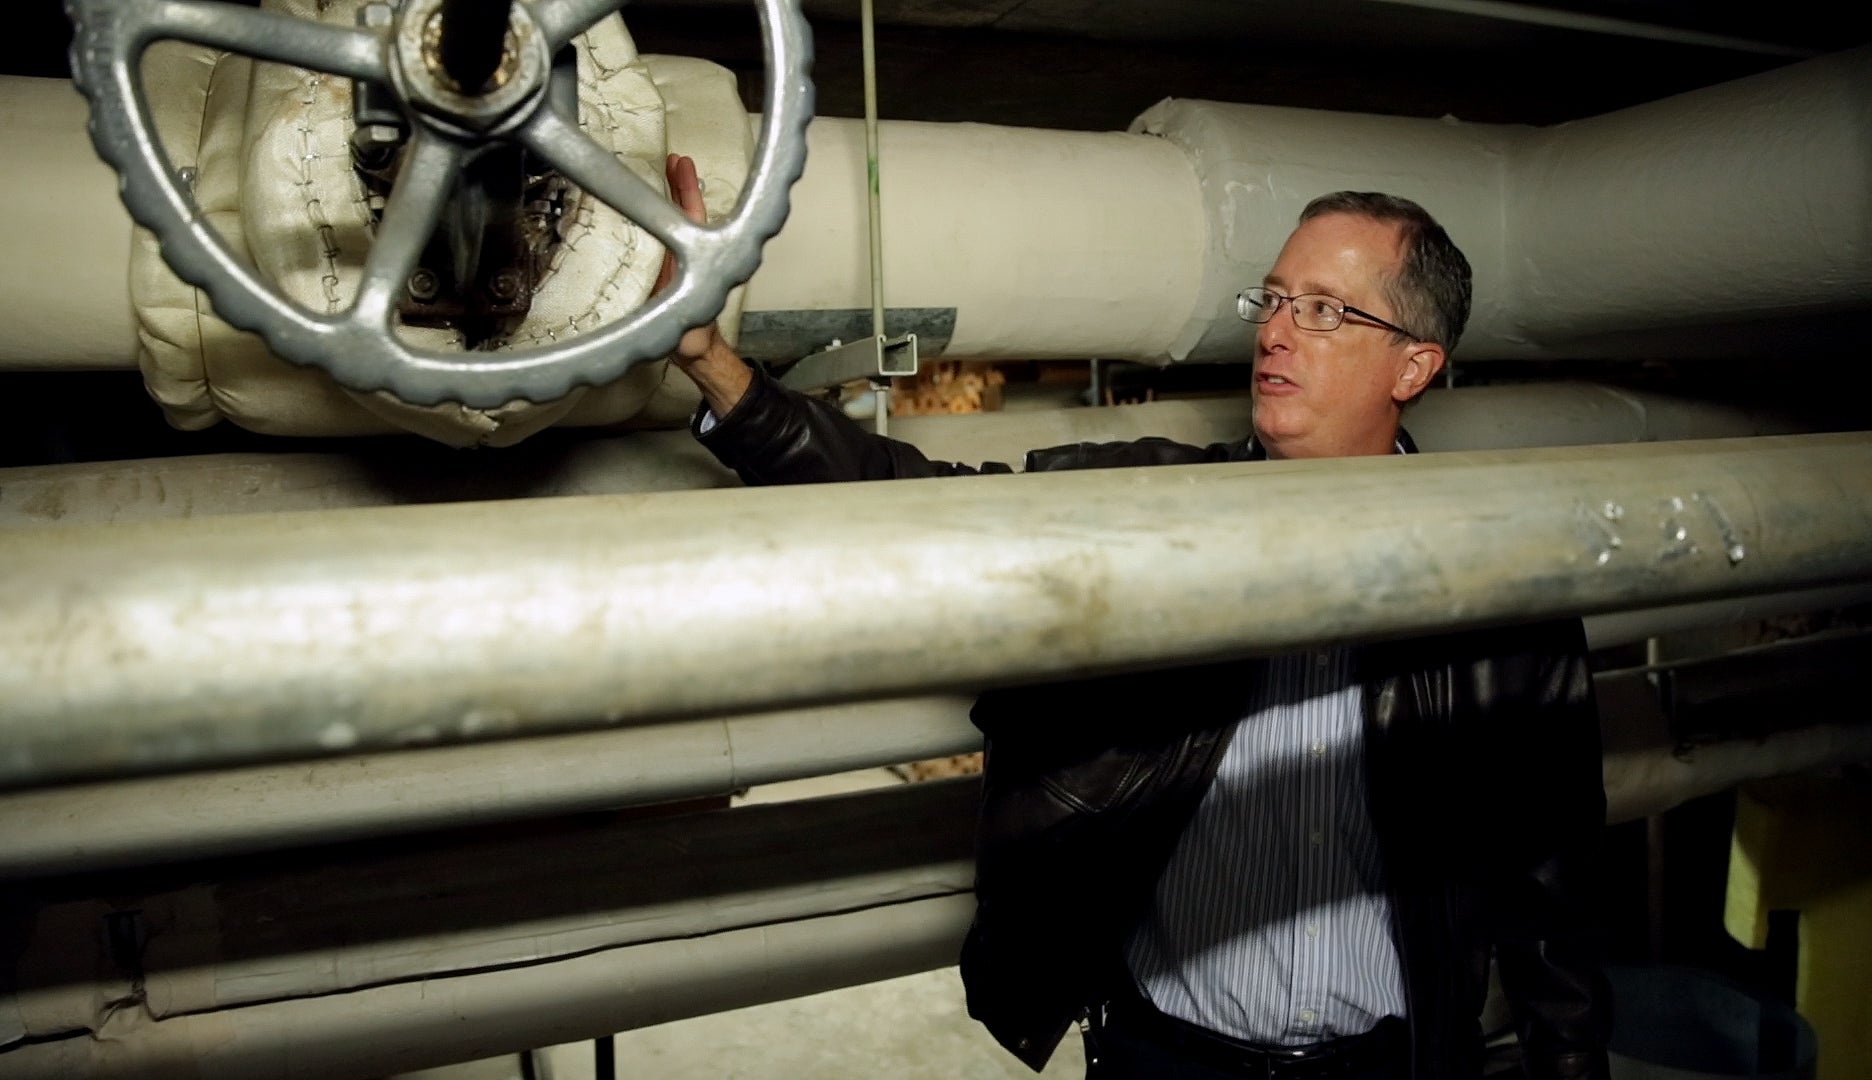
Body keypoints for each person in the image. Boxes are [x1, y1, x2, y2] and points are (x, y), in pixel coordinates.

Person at [657, 153, 1613, 1079]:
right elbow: (909, 506)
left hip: (1383, 1064)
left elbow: (1552, 881)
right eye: (1273, 301)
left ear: (1414, 366)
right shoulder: (1150, 517)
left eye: (1323, 311)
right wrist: (716, 368)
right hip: (1164, 1056)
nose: (1276, 333)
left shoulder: (1501, 578)